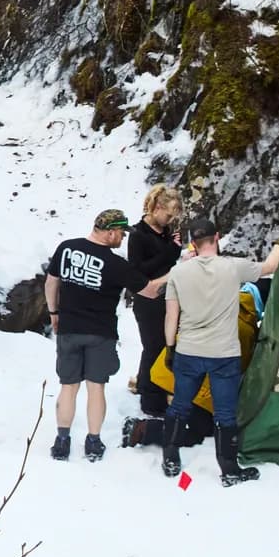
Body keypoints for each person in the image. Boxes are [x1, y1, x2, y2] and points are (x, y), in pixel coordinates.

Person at [161, 217, 279, 485]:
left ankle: (170, 457)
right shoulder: (233, 268)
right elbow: (271, 266)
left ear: (192, 243)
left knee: (180, 405)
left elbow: (171, 318)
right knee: (225, 413)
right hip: (224, 353)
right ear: (217, 237)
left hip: (189, 350)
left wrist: (171, 348)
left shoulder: (178, 273)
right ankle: (229, 469)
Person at [43, 208, 164, 462]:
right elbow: (151, 291)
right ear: (110, 233)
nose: (123, 238)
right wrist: (179, 269)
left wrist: (54, 312)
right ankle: (93, 441)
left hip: (69, 329)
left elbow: (51, 282)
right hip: (101, 333)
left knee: (68, 387)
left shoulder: (66, 248)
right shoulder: (114, 264)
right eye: (121, 233)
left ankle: (62, 440)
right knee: (96, 388)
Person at [122, 185, 182, 448]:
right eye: (169, 215)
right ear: (157, 208)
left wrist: (176, 251)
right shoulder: (138, 234)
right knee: (153, 345)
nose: (171, 221)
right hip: (147, 298)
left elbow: (166, 261)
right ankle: (149, 398)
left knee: (166, 343)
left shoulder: (165, 232)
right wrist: (170, 252)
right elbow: (138, 270)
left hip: (168, 295)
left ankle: (153, 386)